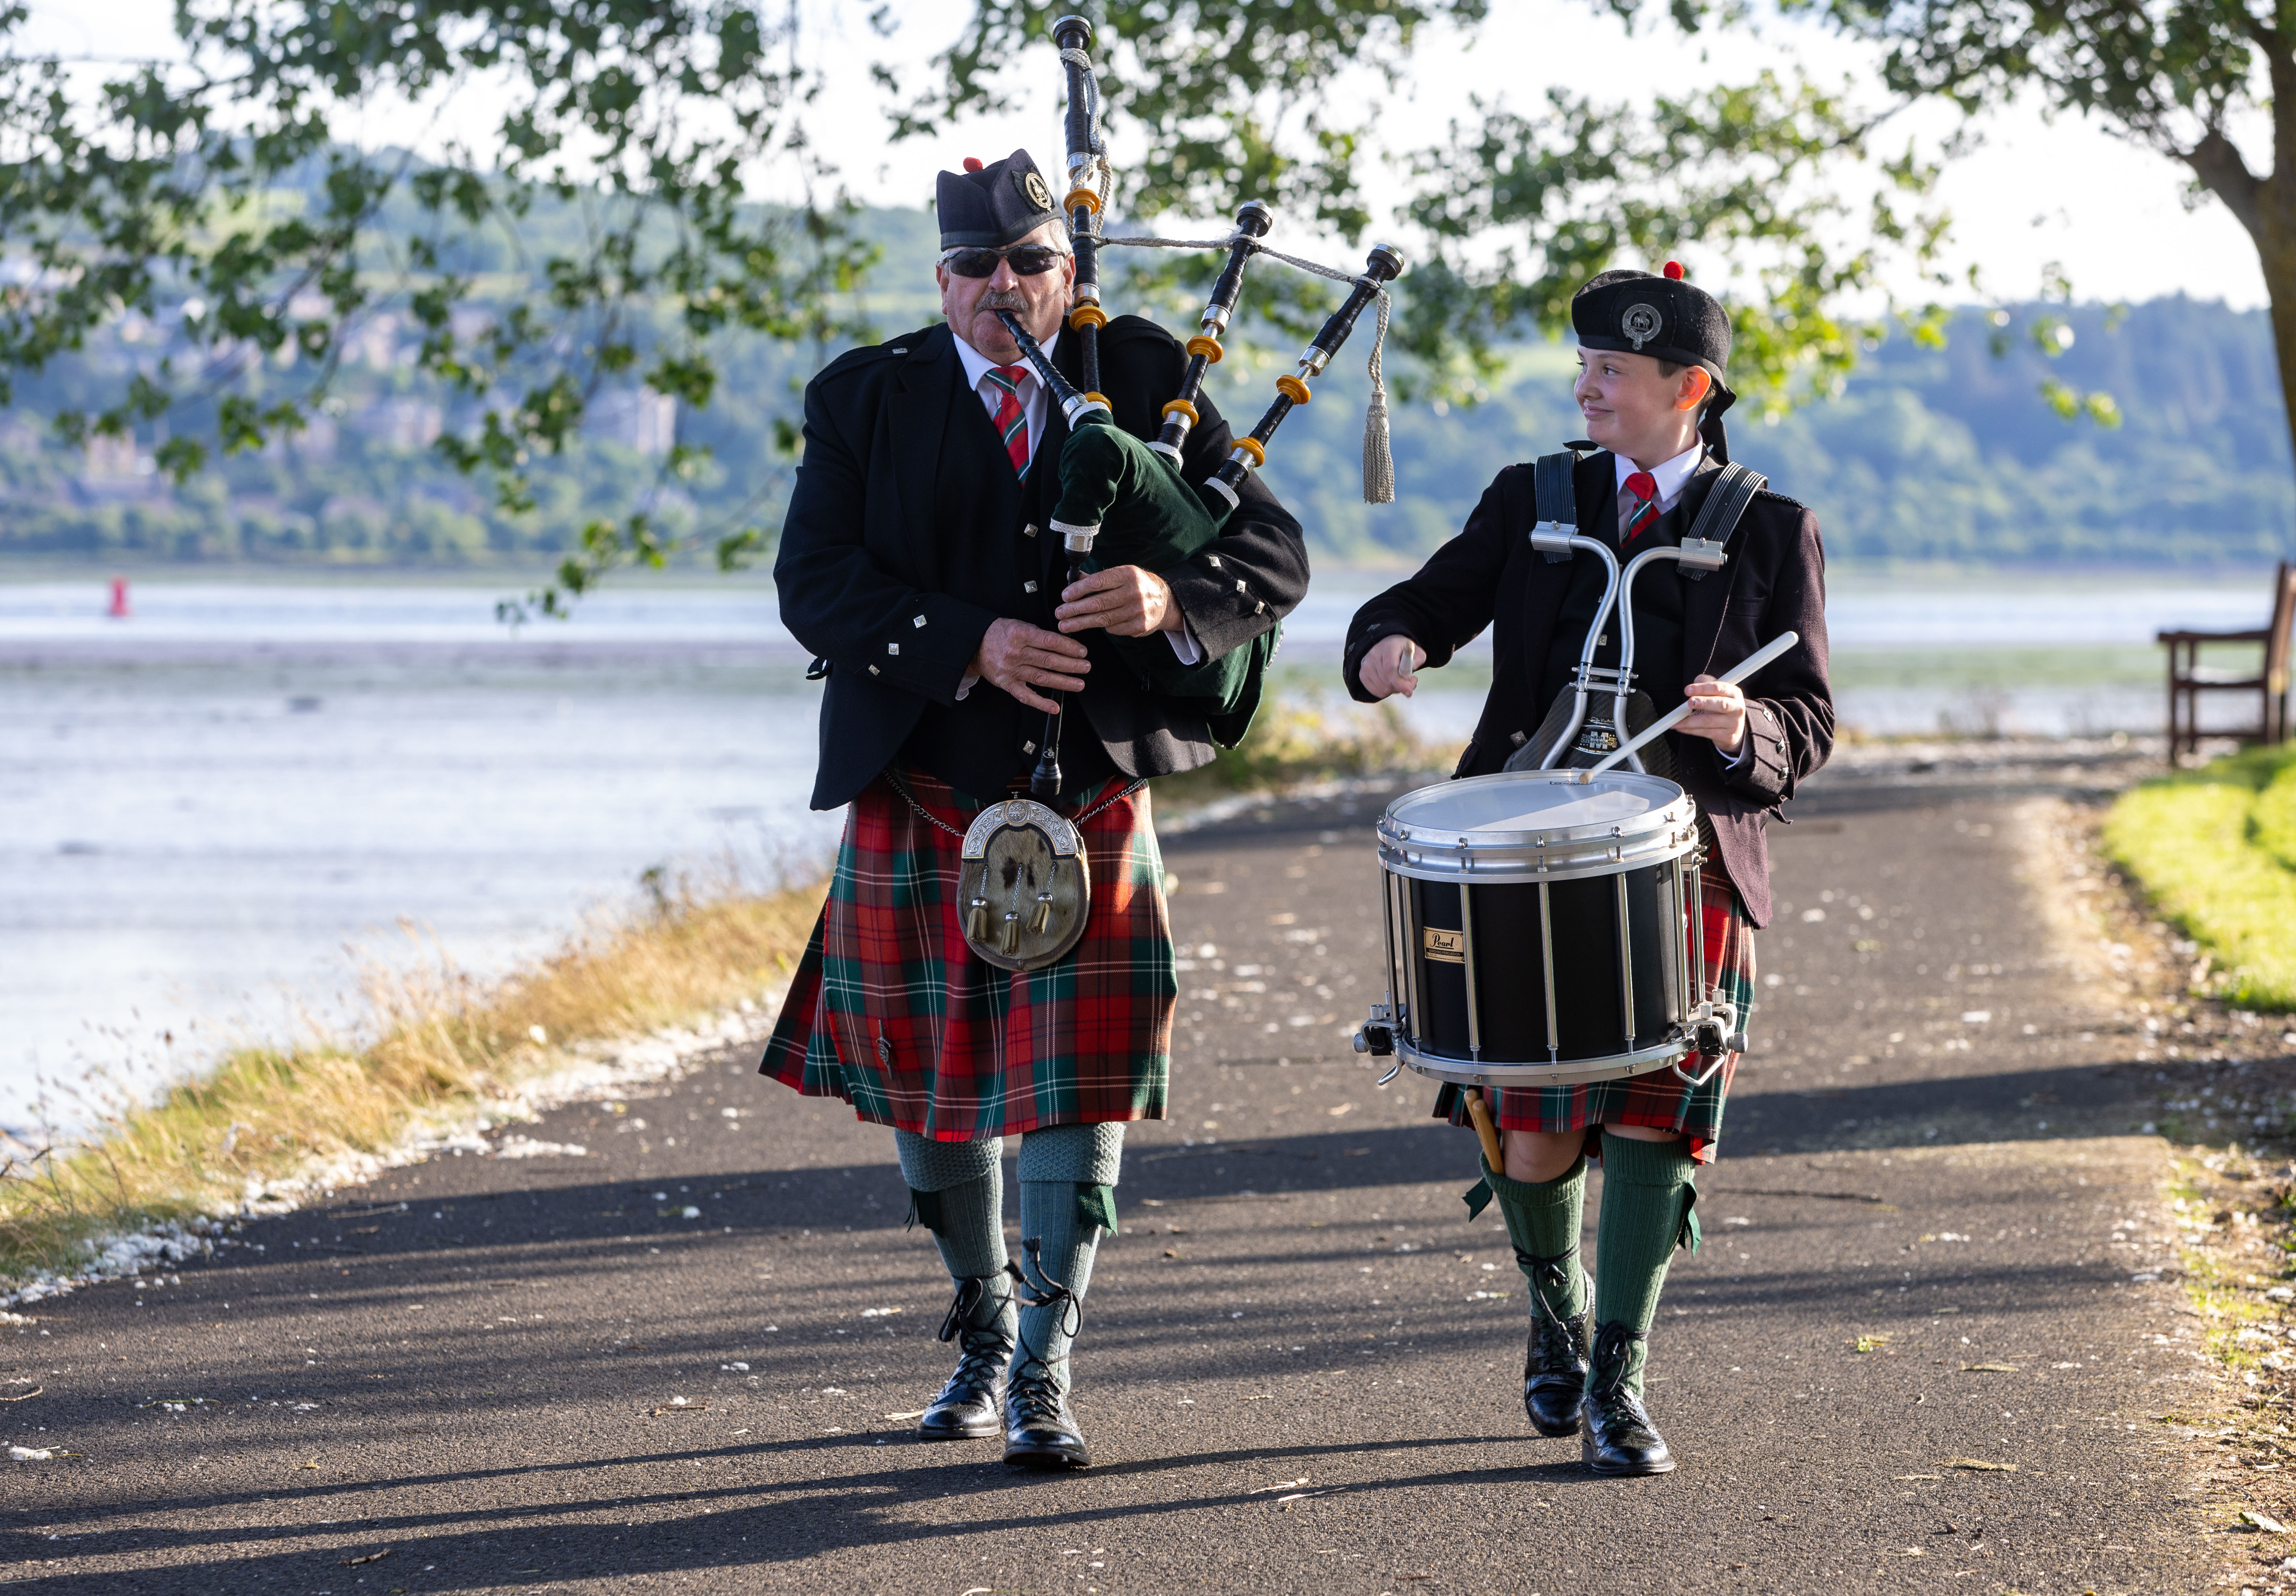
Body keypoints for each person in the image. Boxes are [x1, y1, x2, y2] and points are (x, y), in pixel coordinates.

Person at [762, 149, 1308, 1470]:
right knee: (926, 1088)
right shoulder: (865, 399)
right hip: (927, 781)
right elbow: (813, 582)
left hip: (1090, 787)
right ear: (942, 279)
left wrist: (1171, 600)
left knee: (1078, 1086)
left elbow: (1273, 557)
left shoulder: (1149, 381)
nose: (1002, 287)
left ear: (1069, 273)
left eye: (1029, 265)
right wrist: (972, 644)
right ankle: (987, 1324)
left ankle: (1049, 1366)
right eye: (975, 267)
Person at [1342, 264, 1832, 1476]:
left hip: (1690, 863)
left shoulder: (1770, 527)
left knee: (1661, 1127)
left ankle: (1619, 1382)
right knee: (1534, 1127)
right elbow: (1426, 601)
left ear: (1691, 389)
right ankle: (1554, 1318)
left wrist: (1742, 730)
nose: (1588, 387)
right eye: (1588, 367)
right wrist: (1386, 646)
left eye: (1613, 371)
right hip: (1523, 860)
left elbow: (1810, 718)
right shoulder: (1536, 497)